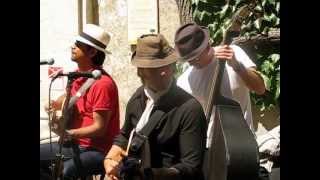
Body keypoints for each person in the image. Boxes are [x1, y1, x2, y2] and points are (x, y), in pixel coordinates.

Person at [103, 34, 207, 180]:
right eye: (155, 67)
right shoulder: (137, 97)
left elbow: (191, 166)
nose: (165, 71)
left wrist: (151, 175)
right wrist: (110, 159)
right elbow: (125, 135)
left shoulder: (190, 109)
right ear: (140, 71)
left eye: (168, 65)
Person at [40, 24, 120, 179]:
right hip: (76, 144)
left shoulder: (103, 84)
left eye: (78, 44)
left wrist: (69, 133)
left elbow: (100, 128)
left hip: (98, 149)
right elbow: (71, 97)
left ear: (92, 51)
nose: (72, 47)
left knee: (67, 169)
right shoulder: (77, 76)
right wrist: (54, 104)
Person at [174, 23, 266, 148]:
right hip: (210, 148)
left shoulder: (235, 53)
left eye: (195, 57)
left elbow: (260, 89)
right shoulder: (184, 82)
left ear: (207, 45)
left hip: (244, 145)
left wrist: (237, 66)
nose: (191, 63)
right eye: (188, 59)